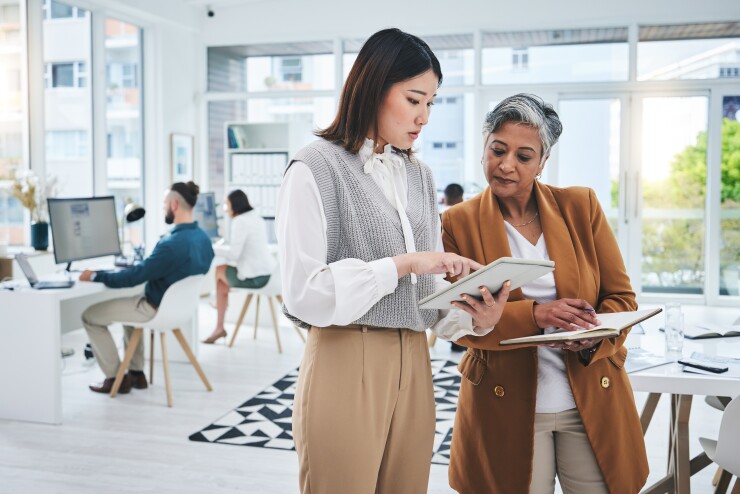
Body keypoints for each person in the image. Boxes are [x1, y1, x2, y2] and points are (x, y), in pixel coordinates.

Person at [276, 28, 510, 494]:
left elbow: (426, 301)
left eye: (432, 103)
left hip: (415, 361)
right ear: (374, 86)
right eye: (414, 99)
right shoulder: (314, 168)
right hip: (345, 358)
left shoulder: (419, 176)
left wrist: (476, 318)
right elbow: (305, 295)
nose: (424, 116)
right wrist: (403, 264)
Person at [443, 94, 648, 494]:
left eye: (524, 156)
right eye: (497, 150)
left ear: (543, 162)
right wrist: (536, 315)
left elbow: (621, 298)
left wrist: (596, 335)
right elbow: (458, 322)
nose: (506, 165)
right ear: (484, 146)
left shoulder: (580, 205)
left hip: (589, 395)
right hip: (506, 404)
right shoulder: (456, 224)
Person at [79, 182, 214, 394]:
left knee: (90, 316)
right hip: (180, 310)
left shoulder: (171, 244)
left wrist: (95, 275)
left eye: (163, 204)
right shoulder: (203, 239)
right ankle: (136, 374)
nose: (163, 208)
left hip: (153, 308)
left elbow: (135, 277)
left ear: (174, 205)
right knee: (130, 311)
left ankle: (116, 377)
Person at [203, 189, 275, 344]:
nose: (225, 208)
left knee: (219, 271)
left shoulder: (239, 221)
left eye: (226, 204)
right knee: (222, 279)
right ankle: (220, 316)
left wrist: (213, 248)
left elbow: (234, 255)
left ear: (234, 205)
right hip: (270, 274)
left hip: (257, 279)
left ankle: (219, 318)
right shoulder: (257, 218)